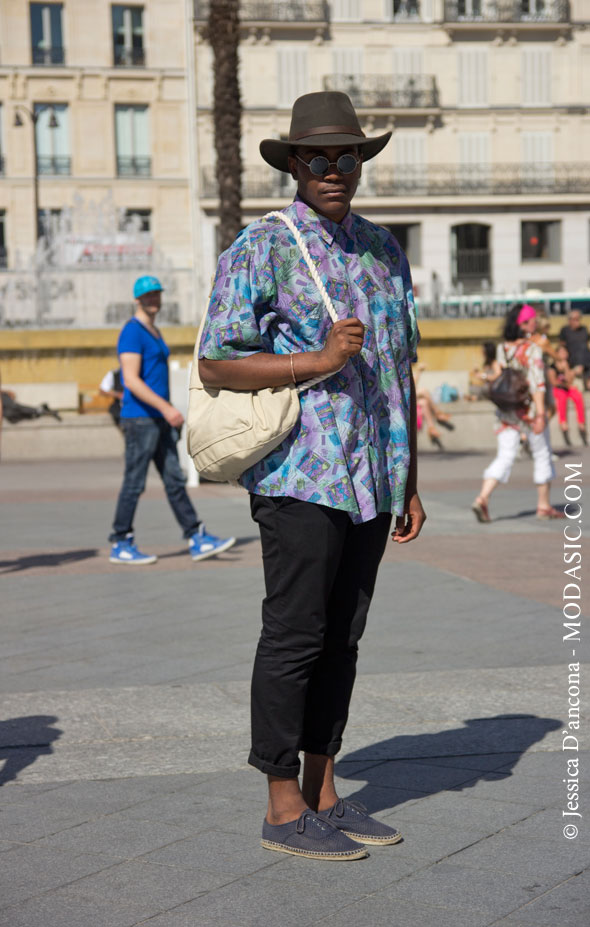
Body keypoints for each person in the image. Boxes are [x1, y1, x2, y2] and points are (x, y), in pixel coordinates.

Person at [198, 91, 426, 861]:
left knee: (345, 638)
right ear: (294, 165)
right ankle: (281, 801)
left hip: (370, 478)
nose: (335, 170)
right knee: (295, 634)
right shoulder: (261, 246)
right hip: (299, 474)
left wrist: (410, 476)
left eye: (348, 156)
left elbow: (402, 370)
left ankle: (326, 791)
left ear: (362, 162)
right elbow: (216, 360)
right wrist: (316, 360)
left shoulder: (382, 249)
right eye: (319, 158)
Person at [108, 275, 235, 565]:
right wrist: (166, 408)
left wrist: (164, 413)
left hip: (157, 420)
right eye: (148, 295)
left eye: (157, 294)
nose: (154, 299)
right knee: (134, 483)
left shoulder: (153, 331)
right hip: (141, 419)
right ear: (137, 299)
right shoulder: (132, 332)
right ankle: (120, 541)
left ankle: (196, 536)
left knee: (174, 481)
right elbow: (131, 380)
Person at [472, 304, 563, 523]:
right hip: (530, 412)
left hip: (507, 412)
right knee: (542, 454)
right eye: (532, 320)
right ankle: (543, 505)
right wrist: (541, 414)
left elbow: (499, 376)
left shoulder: (503, 348)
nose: (535, 323)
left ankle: (482, 497)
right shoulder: (532, 348)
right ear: (523, 324)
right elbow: (538, 383)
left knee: (505, 456)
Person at [549, 345, 587, 447]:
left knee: (578, 396)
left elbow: (569, 380)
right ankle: (564, 426)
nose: (564, 354)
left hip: (567, 387)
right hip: (559, 389)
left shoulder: (568, 365)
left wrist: (566, 368)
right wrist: (565, 384)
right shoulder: (552, 367)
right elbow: (554, 382)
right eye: (561, 352)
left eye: (565, 352)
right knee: (562, 399)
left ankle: (581, 425)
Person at [559, 310, 590, 390]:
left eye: (579, 319)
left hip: (585, 360)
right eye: (575, 319)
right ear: (570, 320)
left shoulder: (584, 329)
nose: (578, 321)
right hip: (572, 359)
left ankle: (581, 373)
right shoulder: (565, 330)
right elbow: (562, 346)